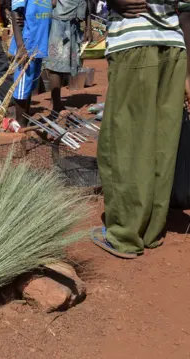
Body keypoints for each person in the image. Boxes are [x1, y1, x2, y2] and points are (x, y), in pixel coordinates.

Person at [91, 0, 187, 259]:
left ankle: (125, 235)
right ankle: (151, 230)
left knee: (125, 140)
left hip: (134, 41)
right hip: (174, 44)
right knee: (161, 141)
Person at [9, 0, 52, 126]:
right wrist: (20, 46)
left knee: (29, 86)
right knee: (22, 86)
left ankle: (25, 120)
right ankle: (20, 125)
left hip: (39, 42)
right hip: (27, 44)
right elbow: (15, 13)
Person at [44, 0, 92, 112]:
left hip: (74, 25)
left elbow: (87, 3)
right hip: (59, 24)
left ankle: (56, 101)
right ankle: (55, 103)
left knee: (65, 64)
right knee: (56, 66)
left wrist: (88, 27)